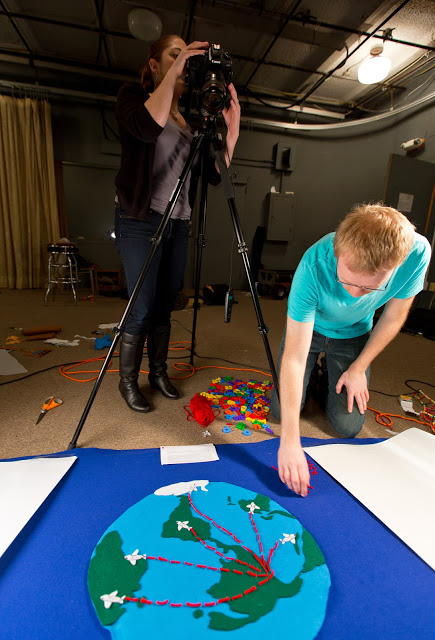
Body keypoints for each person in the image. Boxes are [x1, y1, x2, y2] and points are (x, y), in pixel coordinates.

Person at [114, 35, 240, 413]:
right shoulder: (133, 100)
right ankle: (127, 382)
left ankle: (157, 373)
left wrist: (231, 131)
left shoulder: (187, 119)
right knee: (142, 304)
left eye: (186, 57)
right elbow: (149, 128)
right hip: (139, 219)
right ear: (155, 65)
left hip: (177, 222)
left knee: (166, 303)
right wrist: (181, 63)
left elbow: (214, 173)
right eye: (175, 55)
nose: (184, 63)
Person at [271, 204, 431, 497]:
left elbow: (394, 316)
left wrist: (359, 368)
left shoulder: (417, 253)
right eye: (346, 281)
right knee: (282, 414)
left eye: (369, 289)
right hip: (309, 331)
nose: (352, 295)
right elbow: (294, 357)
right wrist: (291, 442)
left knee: (348, 427)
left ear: (397, 264)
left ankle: (324, 381)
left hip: (355, 333)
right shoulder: (314, 264)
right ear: (338, 252)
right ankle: (319, 377)